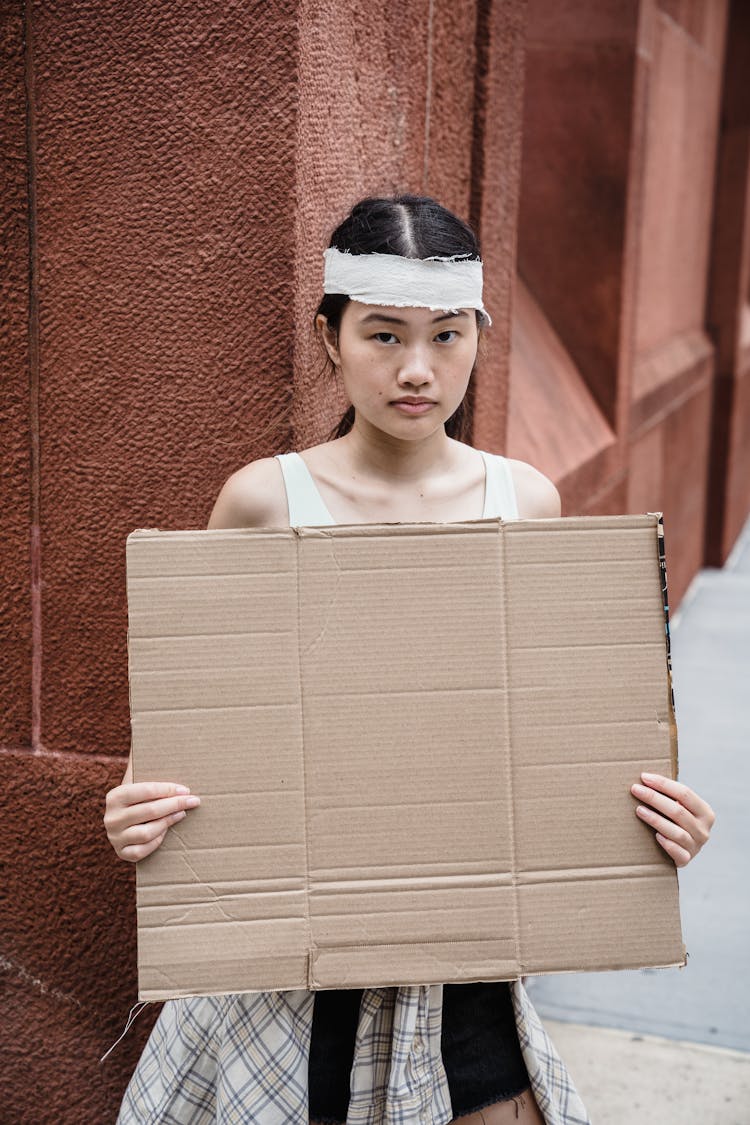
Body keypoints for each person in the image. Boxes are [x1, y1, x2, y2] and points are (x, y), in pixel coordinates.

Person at [105, 195, 715, 1125]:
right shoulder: (265, 502)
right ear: (330, 338)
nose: (418, 370)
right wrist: (140, 810)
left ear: (479, 335)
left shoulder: (524, 502)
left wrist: (647, 822)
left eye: (447, 335)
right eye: (384, 336)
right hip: (284, 980)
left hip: (460, 971)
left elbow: (554, 737)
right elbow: (201, 738)